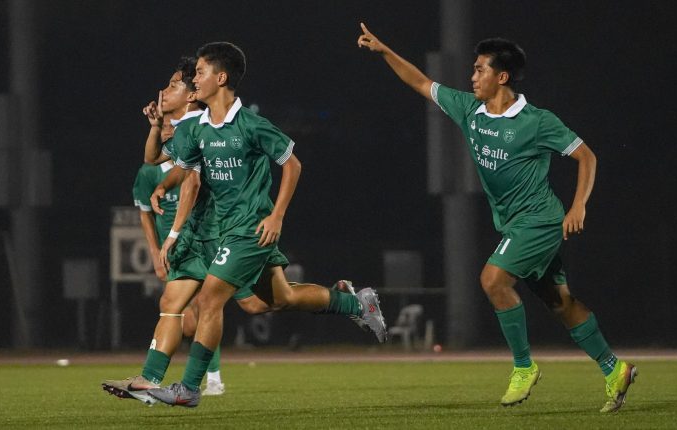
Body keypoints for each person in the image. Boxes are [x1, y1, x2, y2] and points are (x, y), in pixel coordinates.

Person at [357, 23, 636, 412]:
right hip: (514, 225)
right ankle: (614, 369)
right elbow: (420, 82)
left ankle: (523, 367)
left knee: (492, 280)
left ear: (501, 77)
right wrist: (385, 50)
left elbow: (586, 156)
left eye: (479, 70)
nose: (472, 77)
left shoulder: (537, 121)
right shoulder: (470, 110)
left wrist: (579, 206)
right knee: (561, 303)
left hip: (539, 220)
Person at [147, 41, 387, 408]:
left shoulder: (251, 125)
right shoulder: (200, 128)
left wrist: (277, 216)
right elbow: (163, 161)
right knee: (271, 301)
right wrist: (158, 136)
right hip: (225, 230)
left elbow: (293, 164)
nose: (194, 79)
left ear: (221, 78)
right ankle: (355, 304)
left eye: (200, 72)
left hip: (251, 230)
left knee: (209, 300)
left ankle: (190, 388)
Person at [103, 57, 227, 403]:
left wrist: (171, 236)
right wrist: (156, 127)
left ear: (191, 95)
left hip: (222, 231)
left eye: (173, 84)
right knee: (173, 303)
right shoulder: (184, 128)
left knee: (263, 301)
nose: (163, 90)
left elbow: (193, 183)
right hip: (197, 234)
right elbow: (153, 159)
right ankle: (150, 379)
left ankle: (347, 302)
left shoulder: (200, 125)